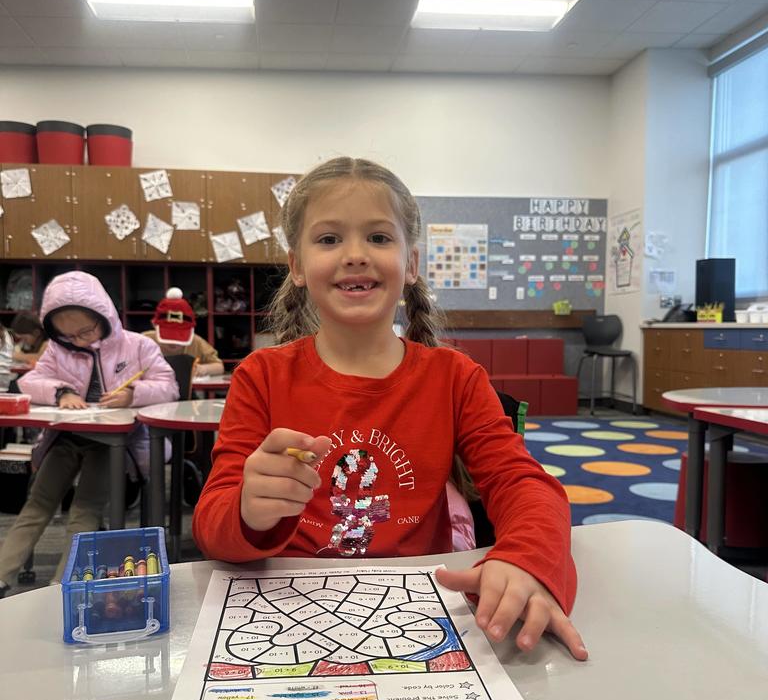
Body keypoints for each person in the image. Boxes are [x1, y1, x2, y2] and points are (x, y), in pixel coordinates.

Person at [193, 157, 587, 660]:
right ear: (296, 265)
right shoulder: (261, 377)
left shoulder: (454, 377)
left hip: (418, 619)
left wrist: (528, 560)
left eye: (379, 238)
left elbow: (524, 485)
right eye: (329, 239)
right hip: (287, 614)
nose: (355, 255)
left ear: (412, 264)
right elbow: (212, 527)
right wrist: (248, 510)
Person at [0, 271, 178, 598]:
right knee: (37, 505)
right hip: (66, 439)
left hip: (109, 446)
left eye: (86, 331)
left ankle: (62, 588)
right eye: (69, 335)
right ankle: (2, 575)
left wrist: (132, 394)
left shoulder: (138, 345)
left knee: (84, 512)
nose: (80, 341)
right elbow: (27, 382)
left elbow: (169, 388)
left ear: (105, 316)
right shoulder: (57, 350)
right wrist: (62, 392)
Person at [143, 288, 224, 376]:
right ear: (154, 325)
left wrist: (202, 369)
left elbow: (219, 367)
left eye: (179, 336)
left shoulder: (196, 342)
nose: (174, 342)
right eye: (169, 336)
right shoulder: (144, 341)